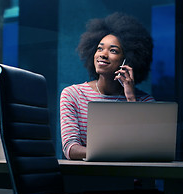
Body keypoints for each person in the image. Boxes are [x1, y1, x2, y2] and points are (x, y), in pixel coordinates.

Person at [60, 12, 155, 160]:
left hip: (132, 180)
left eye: (113, 51)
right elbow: (70, 149)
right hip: (91, 179)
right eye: (99, 48)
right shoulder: (73, 95)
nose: (103, 54)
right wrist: (118, 153)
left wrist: (130, 98)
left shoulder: (144, 102)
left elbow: (147, 149)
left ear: (128, 60)